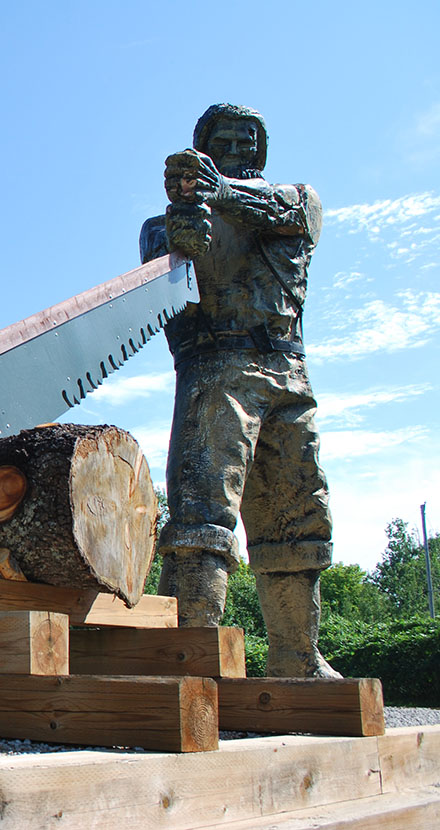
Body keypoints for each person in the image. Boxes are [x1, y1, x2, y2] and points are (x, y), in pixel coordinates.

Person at [140, 103, 338, 677]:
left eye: (246, 141)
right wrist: (184, 234)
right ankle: (190, 656)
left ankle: (297, 658)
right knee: (203, 514)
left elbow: (283, 210)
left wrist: (217, 192)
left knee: (299, 516)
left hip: (289, 373)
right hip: (217, 370)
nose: (236, 149)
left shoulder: (297, 201)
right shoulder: (162, 225)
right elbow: (170, 308)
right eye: (221, 141)